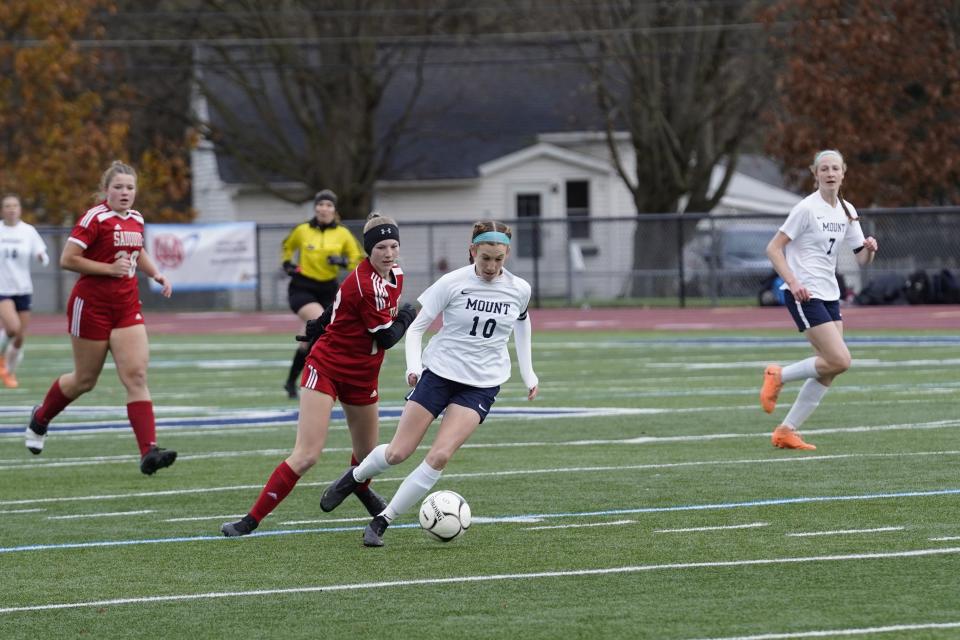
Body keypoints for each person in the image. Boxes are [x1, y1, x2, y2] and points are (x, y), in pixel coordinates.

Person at [319, 220, 539, 547]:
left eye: (498, 259)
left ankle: (382, 521)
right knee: (398, 452)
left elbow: (522, 322)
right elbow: (417, 328)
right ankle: (354, 477)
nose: (492, 266)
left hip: (482, 384)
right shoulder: (451, 283)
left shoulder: (520, 289)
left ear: (506, 254)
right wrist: (415, 367)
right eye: (485, 258)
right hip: (438, 373)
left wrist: (528, 372)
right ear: (472, 252)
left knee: (439, 456)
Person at [221, 213, 416, 537]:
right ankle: (249, 521)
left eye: (394, 245)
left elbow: (337, 307)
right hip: (326, 366)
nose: (389, 253)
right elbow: (386, 338)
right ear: (369, 249)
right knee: (308, 454)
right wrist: (409, 315)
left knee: (368, 457)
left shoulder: (395, 274)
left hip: (363, 373)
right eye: (381, 246)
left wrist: (319, 323)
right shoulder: (364, 281)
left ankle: (358, 487)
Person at [24, 161, 177, 475]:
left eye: (130, 187)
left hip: (126, 306)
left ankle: (148, 451)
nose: (124, 193)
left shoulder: (136, 218)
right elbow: (68, 259)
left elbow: (138, 250)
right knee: (84, 380)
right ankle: (41, 418)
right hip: (90, 306)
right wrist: (109, 269)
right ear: (106, 190)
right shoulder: (95, 218)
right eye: (118, 187)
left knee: (136, 376)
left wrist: (156, 273)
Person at [760, 149, 878, 450]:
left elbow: (861, 259)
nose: (829, 173)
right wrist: (794, 282)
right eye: (823, 168)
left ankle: (786, 430)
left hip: (830, 294)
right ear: (815, 174)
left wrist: (870, 248)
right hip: (805, 293)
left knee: (832, 366)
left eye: (834, 168)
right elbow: (773, 249)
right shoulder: (806, 209)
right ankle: (779, 375)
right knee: (840, 360)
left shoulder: (847, 210)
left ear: (843, 172)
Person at [280, 189, 363, 399]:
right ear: (315, 207)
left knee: (308, 339)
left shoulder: (342, 234)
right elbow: (286, 247)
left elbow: (358, 258)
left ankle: (291, 382)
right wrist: (287, 264)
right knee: (318, 322)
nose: (324, 209)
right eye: (320, 204)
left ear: (334, 210)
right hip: (302, 287)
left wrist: (343, 261)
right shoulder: (302, 230)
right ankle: (315, 379)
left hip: (328, 289)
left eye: (328, 205)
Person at [0, 194, 50, 388]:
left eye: (15, 205)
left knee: (20, 336)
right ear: (3, 210)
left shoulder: (28, 231)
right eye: (7, 206)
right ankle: (1, 357)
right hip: (2, 288)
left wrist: (41, 257)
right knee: (12, 328)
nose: (11, 209)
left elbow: (42, 254)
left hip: (23, 288)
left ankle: (9, 372)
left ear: (20, 209)